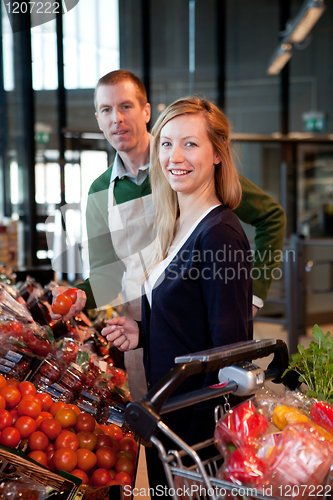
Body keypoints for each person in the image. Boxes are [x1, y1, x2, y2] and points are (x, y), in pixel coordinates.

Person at [51, 70, 286, 399]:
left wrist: (254, 294)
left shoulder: (188, 169)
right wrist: (80, 296)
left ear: (147, 111)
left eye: (126, 106)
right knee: (156, 432)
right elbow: (107, 277)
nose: (116, 119)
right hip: (145, 329)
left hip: (201, 330)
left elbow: (270, 217)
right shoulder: (99, 191)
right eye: (106, 110)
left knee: (198, 417)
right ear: (98, 119)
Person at [101, 96, 253, 494]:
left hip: (193, 433)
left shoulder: (220, 233)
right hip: (167, 416)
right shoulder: (178, 225)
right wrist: (143, 331)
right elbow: (191, 320)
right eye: (166, 143)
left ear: (217, 154)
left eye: (190, 143)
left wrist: (198, 450)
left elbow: (231, 354)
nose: (174, 156)